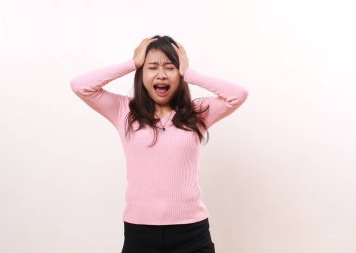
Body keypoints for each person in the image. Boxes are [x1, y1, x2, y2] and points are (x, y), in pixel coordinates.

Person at [70, 35, 248, 253]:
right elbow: (80, 86)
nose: (161, 74)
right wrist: (131, 63)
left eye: (170, 67)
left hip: (191, 233)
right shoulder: (124, 111)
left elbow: (238, 95)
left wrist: (191, 74)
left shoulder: (197, 113)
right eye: (152, 67)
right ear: (141, 73)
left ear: (179, 73)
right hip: (140, 234)